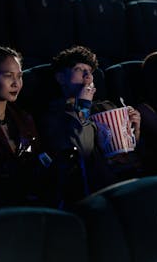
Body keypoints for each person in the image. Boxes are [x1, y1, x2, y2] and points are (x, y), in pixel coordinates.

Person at [39, 45, 141, 205]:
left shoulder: (105, 107)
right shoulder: (55, 114)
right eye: (79, 69)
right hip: (92, 192)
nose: (87, 76)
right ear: (60, 78)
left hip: (124, 180)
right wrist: (83, 107)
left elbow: (125, 151)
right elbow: (82, 149)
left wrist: (135, 128)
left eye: (90, 71)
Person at [0, 46, 54, 211]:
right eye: (8, 76)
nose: (16, 83)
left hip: (28, 204)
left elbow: (38, 158)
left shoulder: (24, 119)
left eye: (20, 76)